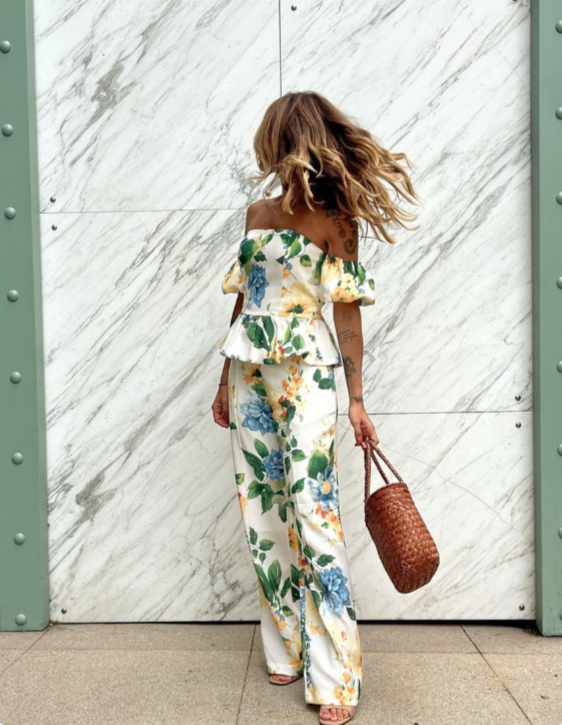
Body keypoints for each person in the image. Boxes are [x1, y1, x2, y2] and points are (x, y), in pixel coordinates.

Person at [212, 91, 422, 725]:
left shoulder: (337, 220)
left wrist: (356, 399)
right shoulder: (256, 213)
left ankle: (336, 676)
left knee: (314, 513)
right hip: (250, 372)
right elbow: (246, 299)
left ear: (287, 141)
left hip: (307, 375)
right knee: (263, 512)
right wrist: (223, 380)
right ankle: (288, 646)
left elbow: (347, 316)